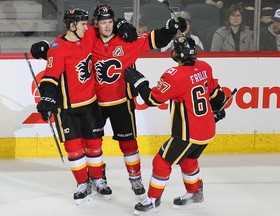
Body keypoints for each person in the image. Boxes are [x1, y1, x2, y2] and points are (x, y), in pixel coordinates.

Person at [91, 4, 187, 197]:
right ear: (96, 24)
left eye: (110, 22)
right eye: (103, 23)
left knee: (129, 144)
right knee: (93, 143)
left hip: (122, 102)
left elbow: (155, 39)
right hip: (94, 102)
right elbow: (70, 39)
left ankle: (135, 178)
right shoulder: (88, 40)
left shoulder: (127, 40)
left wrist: (171, 27)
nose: (108, 26)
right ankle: (97, 178)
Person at [124, 35, 226, 214]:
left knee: (162, 161)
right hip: (207, 129)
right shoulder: (205, 67)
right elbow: (217, 96)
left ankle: (153, 200)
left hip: (187, 133)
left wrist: (139, 83)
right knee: (189, 159)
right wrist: (218, 110)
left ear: (178, 54)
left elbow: (152, 99)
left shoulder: (175, 76)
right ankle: (195, 193)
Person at [34, 8, 112, 204]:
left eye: (87, 23)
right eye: (83, 24)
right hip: (67, 108)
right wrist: (47, 99)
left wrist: (120, 25)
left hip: (90, 103)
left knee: (94, 146)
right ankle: (82, 183)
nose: (88, 27)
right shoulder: (58, 48)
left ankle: (98, 179)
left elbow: (105, 25)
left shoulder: (88, 35)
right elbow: (50, 77)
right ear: (72, 25)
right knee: (74, 148)